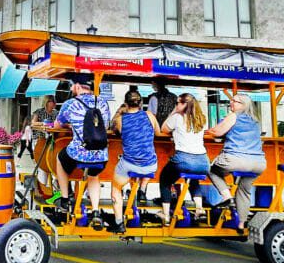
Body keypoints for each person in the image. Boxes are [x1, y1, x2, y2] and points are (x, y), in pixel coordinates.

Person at [48, 74, 112, 230]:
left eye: (71, 86)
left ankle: (64, 198)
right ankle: (95, 211)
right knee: (93, 175)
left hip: (79, 152)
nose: (71, 89)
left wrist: (71, 125)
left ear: (77, 86)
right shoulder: (103, 103)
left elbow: (57, 124)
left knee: (60, 158)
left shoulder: (71, 103)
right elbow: (106, 124)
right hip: (101, 154)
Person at [206, 93, 265, 231]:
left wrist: (208, 131)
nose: (231, 103)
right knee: (244, 190)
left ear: (244, 105)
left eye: (235, 101)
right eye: (231, 100)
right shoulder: (256, 120)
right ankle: (241, 224)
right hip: (258, 163)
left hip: (235, 159)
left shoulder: (233, 116)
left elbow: (217, 132)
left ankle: (227, 197)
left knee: (209, 168)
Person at [109, 90, 159, 233]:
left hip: (129, 163)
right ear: (141, 103)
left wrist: (120, 111)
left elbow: (113, 128)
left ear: (126, 102)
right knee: (148, 163)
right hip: (150, 165)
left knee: (116, 188)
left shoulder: (120, 120)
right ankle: (142, 190)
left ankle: (119, 222)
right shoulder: (149, 116)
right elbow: (158, 132)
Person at [158, 93, 210, 225]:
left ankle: (166, 214)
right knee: (194, 179)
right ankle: (199, 209)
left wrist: (174, 112)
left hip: (184, 159)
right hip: (203, 161)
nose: (176, 105)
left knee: (165, 179)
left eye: (178, 103)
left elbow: (163, 129)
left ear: (184, 105)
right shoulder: (202, 119)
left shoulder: (177, 117)